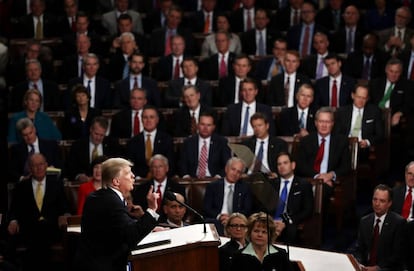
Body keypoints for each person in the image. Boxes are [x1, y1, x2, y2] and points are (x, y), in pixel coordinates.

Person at [73, 157, 159, 271]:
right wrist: (152, 209)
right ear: (116, 181)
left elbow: (118, 226)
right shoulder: (111, 201)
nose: (133, 176)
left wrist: (150, 227)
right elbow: (131, 235)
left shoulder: (100, 196)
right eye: (128, 173)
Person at [7, 153, 69, 270]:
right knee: (37, 233)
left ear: (46, 165)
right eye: (34, 165)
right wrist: (13, 221)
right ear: (30, 168)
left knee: (42, 232)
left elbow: (65, 207)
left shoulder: (56, 184)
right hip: (29, 229)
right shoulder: (21, 187)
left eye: (41, 164)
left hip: (51, 228)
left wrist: (64, 216)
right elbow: (13, 211)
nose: (38, 168)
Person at [295, 107, 351, 206]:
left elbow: (346, 166)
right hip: (310, 180)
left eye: (327, 122)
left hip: (329, 182)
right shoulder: (306, 141)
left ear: (332, 123)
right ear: (316, 123)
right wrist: (318, 178)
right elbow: (300, 166)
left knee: (320, 191)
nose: (324, 125)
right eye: (321, 121)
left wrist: (330, 175)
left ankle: (316, 221)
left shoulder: (341, 141)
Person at [355, 184, 406, 271]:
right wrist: (360, 264)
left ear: (389, 203)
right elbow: (360, 249)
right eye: (375, 199)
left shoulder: (398, 223)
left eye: (382, 201)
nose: (377, 204)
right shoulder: (364, 221)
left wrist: (377, 268)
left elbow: (397, 255)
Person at [269, 152, 313, 245]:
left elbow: (307, 210)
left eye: (285, 163)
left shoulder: (303, 184)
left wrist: (285, 221)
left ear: (293, 165)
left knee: (291, 230)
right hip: (271, 220)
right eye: (279, 164)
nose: (282, 166)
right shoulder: (271, 184)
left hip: (291, 221)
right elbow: (263, 206)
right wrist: (271, 220)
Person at [203, 157, 253, 235]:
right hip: (216, 220)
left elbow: (247, 210)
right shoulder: (213, 186)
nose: (235, 174)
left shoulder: (245, 188)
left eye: (238, 172)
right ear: (226, 169)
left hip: (236, 222)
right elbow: (207, 208)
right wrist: (220, 217)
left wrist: (231, 218)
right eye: (233, 169)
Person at [334, 84, 384, 159]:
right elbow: (336, 133)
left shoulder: (374, 112)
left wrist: (367, 142)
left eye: (364, 98)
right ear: (353, 95)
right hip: (345, 146)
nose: (361, 100)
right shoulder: (342, 111)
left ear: (367, 99)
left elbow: (380, 134)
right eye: (358, 97)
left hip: (364, 149)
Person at [64, 116, 121, 182]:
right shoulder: (78, 145)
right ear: (91, 129)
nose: (98, 138)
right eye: (96, 134)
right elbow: (70, 168)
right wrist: (79, 176)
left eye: (102, 135)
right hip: (84, 183)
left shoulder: (113, 145)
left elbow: (117, 166)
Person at [126, 106, 174, 179]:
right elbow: (130, 165)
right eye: (145, 117)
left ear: (157, 120)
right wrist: (138, 178)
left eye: (151, 117)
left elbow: (170, 163)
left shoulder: (167, 140)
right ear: (141, 119)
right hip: (139, 181)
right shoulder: (133, 142)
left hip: (161, 180)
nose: (148, 120)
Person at [179, 111, 231, 178]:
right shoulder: (188, 142)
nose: (205, 128)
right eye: (202, 124)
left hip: (215, 180)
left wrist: (219, 176)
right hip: (193, 180)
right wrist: (186, 176)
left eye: (208, 125)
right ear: (198, 125)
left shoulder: (222, 142)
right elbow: (182, 163)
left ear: (213, 127)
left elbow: (227, 164)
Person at [9, 118, 62, 184]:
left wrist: (53, 169)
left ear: (34, 129)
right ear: (21, 135)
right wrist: (22, 179)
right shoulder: (16, 149)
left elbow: (60, 166)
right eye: (25, 135)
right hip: (27, 185)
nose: (29, 137)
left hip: (48, 183)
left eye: (30, 133)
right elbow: (12, 172)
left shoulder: (51, 145)